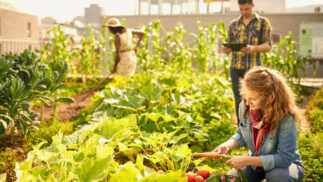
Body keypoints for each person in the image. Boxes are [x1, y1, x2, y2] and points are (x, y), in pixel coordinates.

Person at [213, 66, 304, 182]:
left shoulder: (286, 117)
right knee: (229, 179)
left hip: (285, 166)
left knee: (277, 176)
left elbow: (284, 158)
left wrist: (246, 161)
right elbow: (242, 133)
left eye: (253, 98)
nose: (247, 101)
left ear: (269, 97)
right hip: (256, 164)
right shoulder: (245, 107)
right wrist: (227, 145)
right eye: (245, 96)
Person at [222, 0, 272, 125]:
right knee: (238, 99)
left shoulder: (263, 22)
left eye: (246, 9)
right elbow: (227, 46)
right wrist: (226, 49)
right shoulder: (234, 24)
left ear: (252, 5)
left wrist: (253, 48)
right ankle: (242, 128)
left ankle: (256, 126)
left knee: (255, 99)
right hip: (235, 67)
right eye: (241, 10)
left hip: (253, 69)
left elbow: (268, 46)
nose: (243, 12)